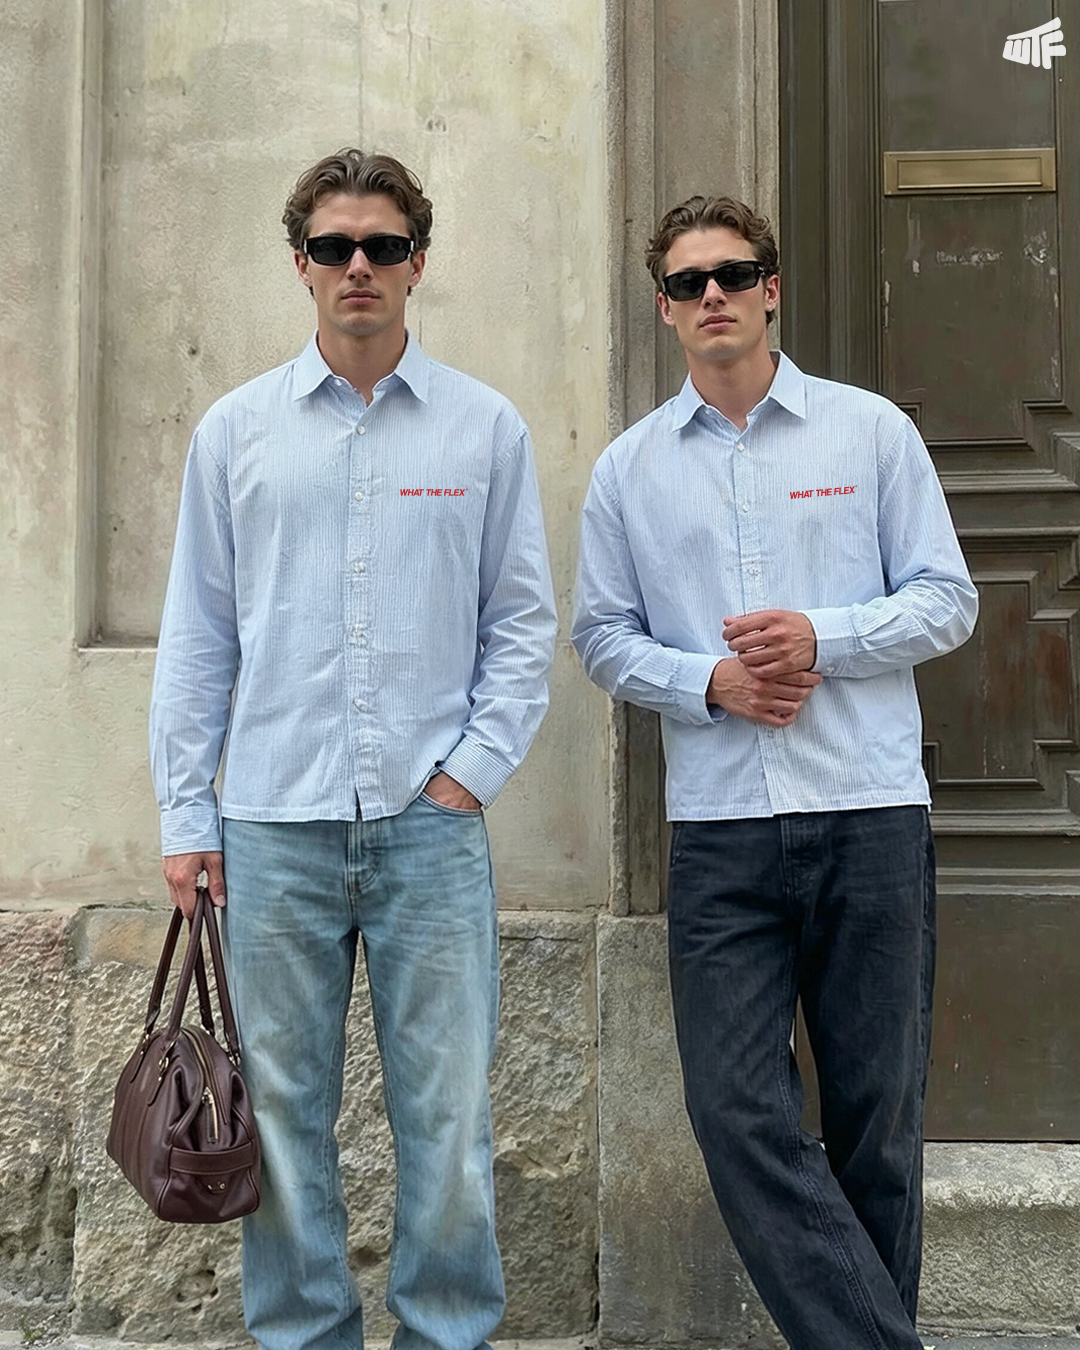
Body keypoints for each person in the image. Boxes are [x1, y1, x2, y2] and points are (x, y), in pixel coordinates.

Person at [149, 147, 557, 1350]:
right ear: (302, 265)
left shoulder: (483, 429)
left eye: (384, 246)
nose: (359, 266)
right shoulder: (237, 433)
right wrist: (187, 816)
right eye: (335, 247)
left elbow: (522, 625)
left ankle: (446, 1334)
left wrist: (466, 777)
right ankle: (303, 1336)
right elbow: (198, 636)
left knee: (449, 1123)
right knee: (279, 1122)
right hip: (273, 829)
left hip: (432, 832)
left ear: (419, 262)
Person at [571, 193, 977, 1349]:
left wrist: (820, 639)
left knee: (877, 1126)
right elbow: (600, 637)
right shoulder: (629, 473)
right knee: (735, 1113)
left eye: (733, 274)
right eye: (687, 282)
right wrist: (710, 682)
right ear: (664, 308)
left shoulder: (869, 435)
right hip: (723, 833)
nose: (713, 295)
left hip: (868, 811)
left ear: (771, 290)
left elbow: (948, 601)